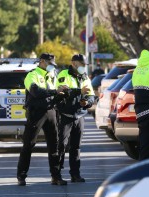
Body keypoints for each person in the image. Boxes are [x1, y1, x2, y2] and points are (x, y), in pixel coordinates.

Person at [17, 53, 68, 186]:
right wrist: (54, 92)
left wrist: (63, 93)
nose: (52, 67)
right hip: (36, 113)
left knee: (54, 145)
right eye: (50, 64)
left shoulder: (53, 75)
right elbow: (36, 92)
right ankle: (21, 176)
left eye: (53, 65)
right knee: (29, 144)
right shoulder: (32, 75)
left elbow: (56, 92)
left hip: (51, 111)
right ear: (42, 62)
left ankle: (56, 176)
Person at [56, 54, 95, 182]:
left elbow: (91, 95)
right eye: (81, 64)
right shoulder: (63, 75)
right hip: (65, 116)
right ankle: (57, 175)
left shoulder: (85, 77)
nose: (84, 67)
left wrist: (87, 102)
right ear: (73, 63)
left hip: (79, 116)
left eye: (85, 65)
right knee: (61, 145)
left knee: (76, 147)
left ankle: (75, 174)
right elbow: (63, 92)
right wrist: (79, 92)